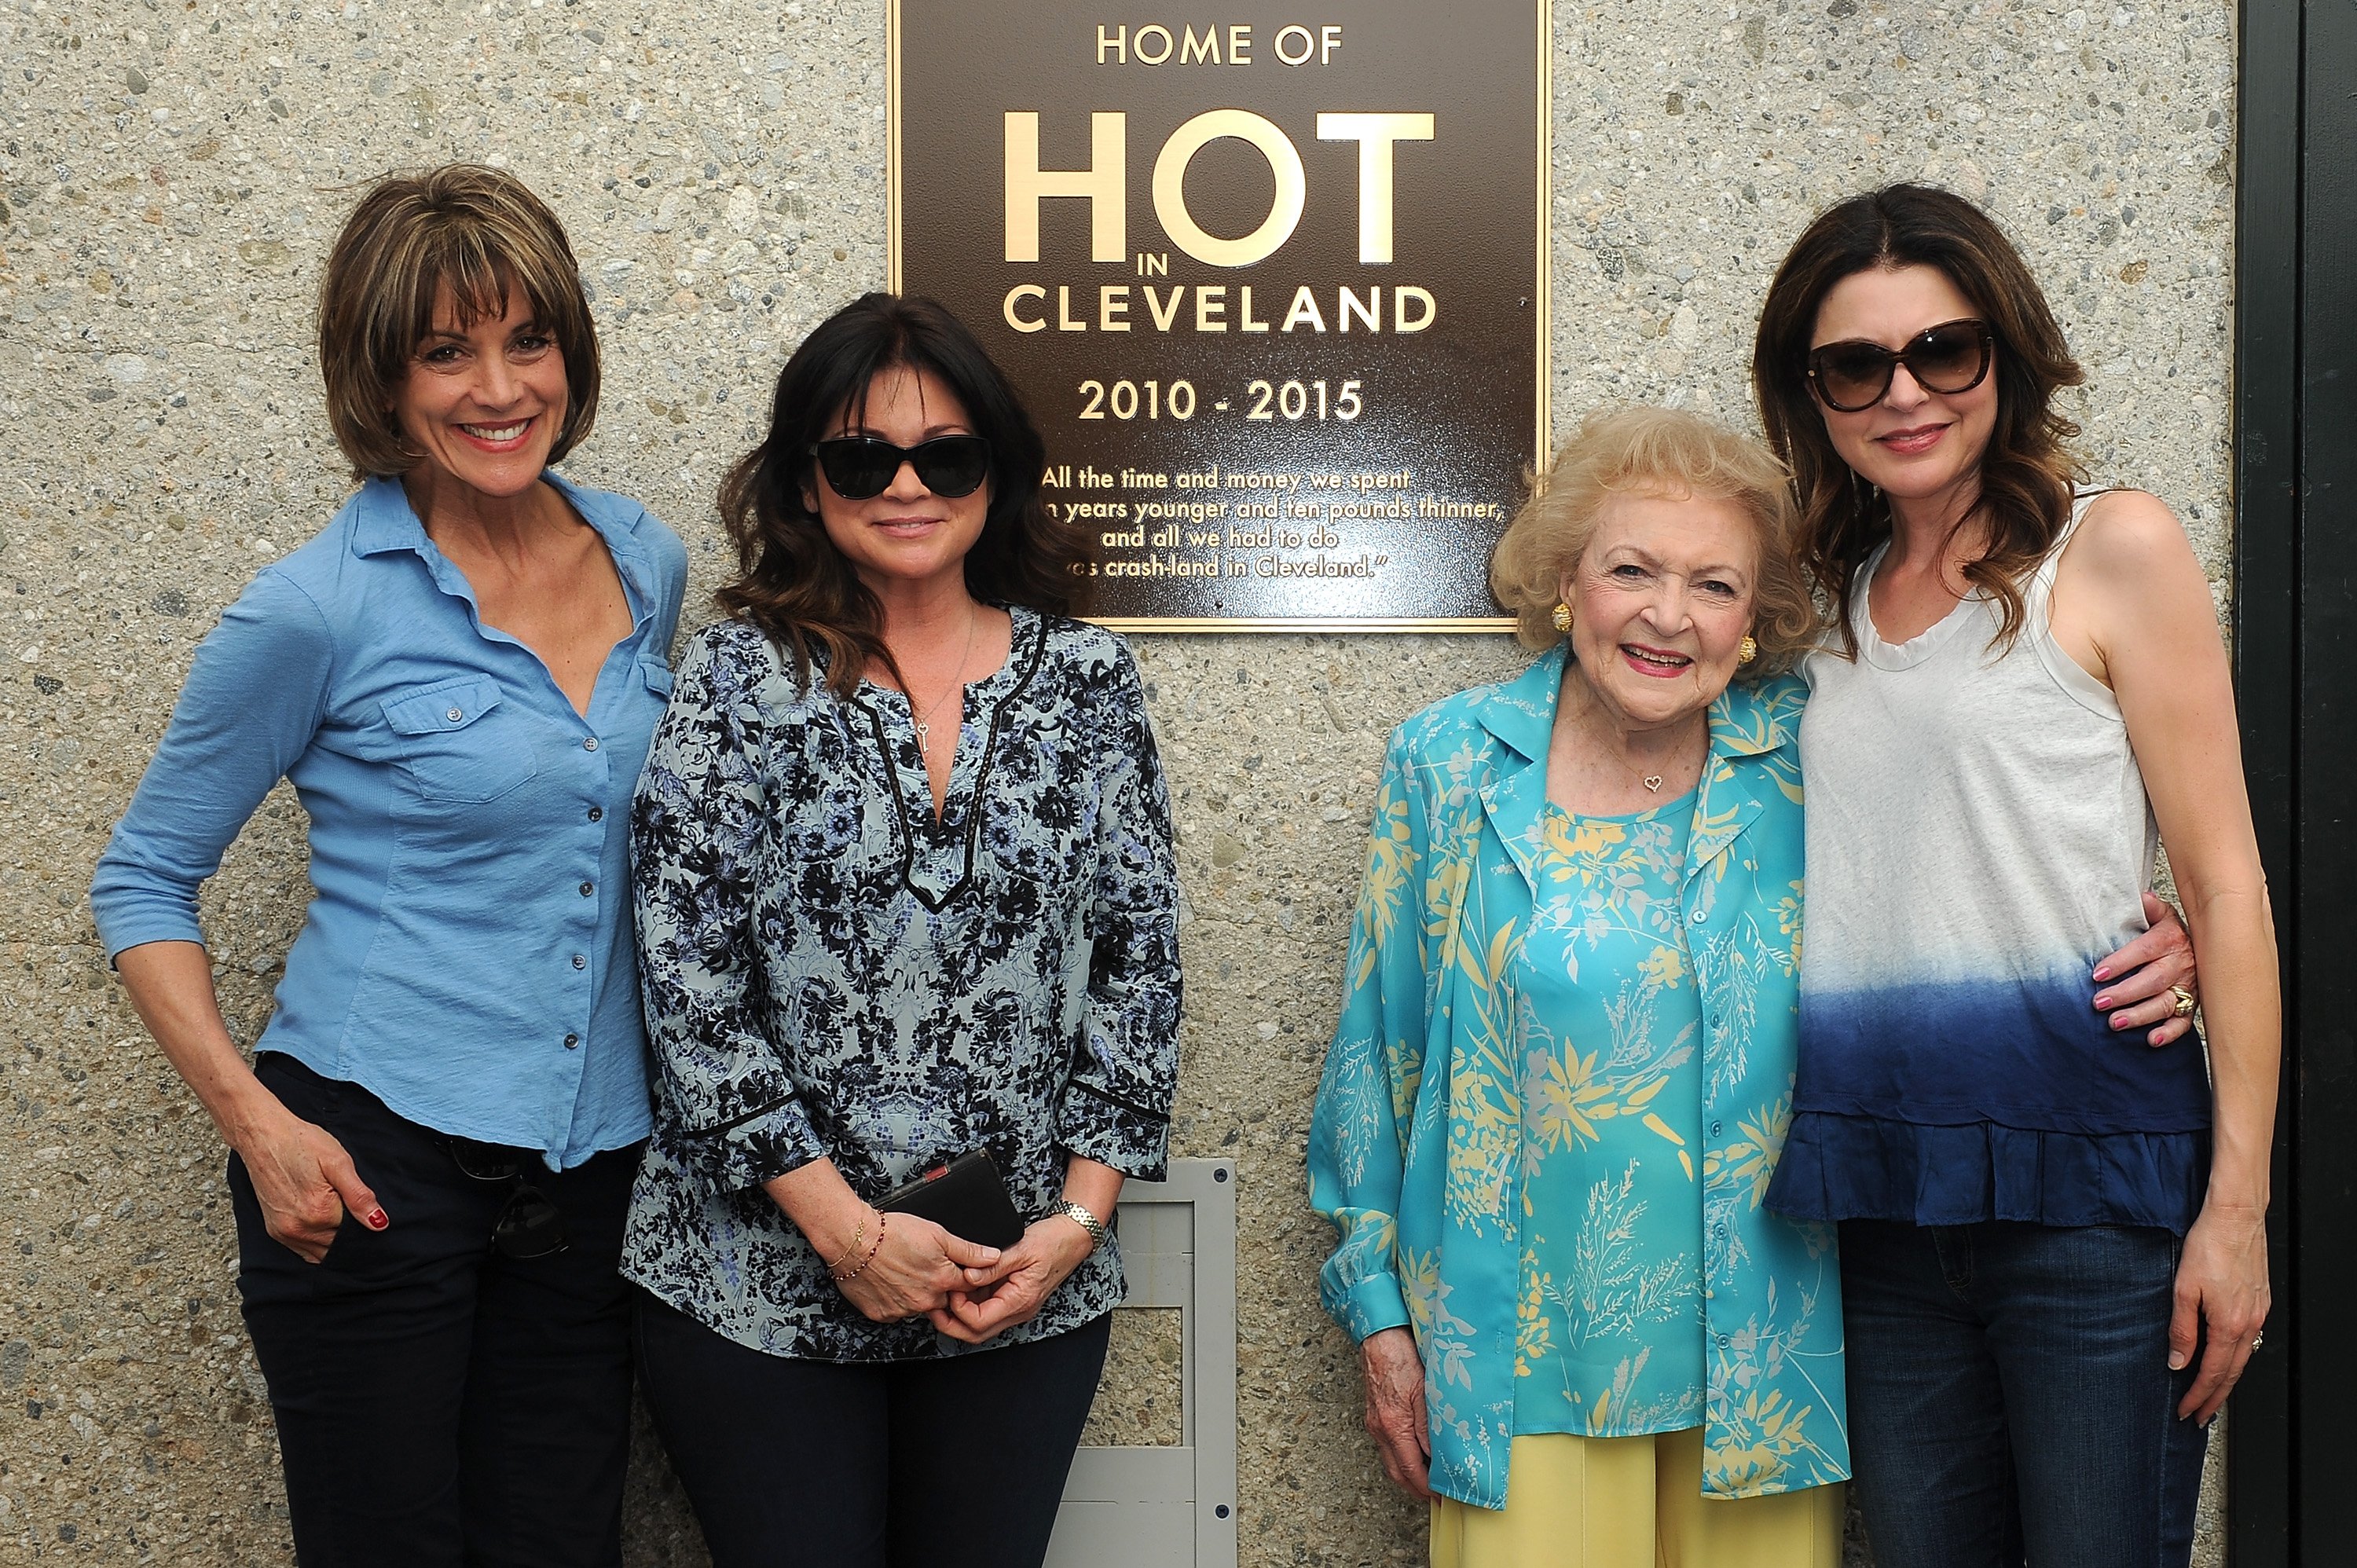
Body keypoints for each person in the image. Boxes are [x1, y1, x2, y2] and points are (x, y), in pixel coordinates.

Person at [86, 165, 687, 1566]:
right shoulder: (316, 606)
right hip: (366, 1163)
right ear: (381, 377)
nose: (497, 387)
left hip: (593, 1173)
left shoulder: (641, 556)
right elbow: (142, 882)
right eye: (445, 350)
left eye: (526, 339)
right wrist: (258, 1126)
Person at [1753, 184, 2276, 1568]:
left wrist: (2235, 1215)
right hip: (1881, 1201)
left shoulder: (2113, 550)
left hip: (2099, 1203)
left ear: (2006, 352)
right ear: (1811, 394)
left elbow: (2226, 891)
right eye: (1855, 364)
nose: (1904, 392)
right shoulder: (1820, 593)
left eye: (1945, 349)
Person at [623, 291, 1182, 1568]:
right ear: (806, 484)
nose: (908, 484)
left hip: (1018, 1285)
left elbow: (1140, 969)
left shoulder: (1091, 680)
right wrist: (851, 1236)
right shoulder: (737, 677)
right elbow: (685, 974)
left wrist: (1077, 1227)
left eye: (949, 453)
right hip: (755, 1282)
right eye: (862, 457)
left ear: (999, 469)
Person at [1308, 407, 1849, 1567]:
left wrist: (2162, 937)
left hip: (1760, 1357)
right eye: (1632, 571)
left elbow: (1963, 894)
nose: (1668, 616)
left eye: (1714, 584)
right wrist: (1380, 1319)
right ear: (1567, 584)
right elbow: (1378, 1053)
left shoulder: (1813, 761)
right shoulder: (1450, 763)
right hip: (1513, 1367)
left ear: (1754, 621)